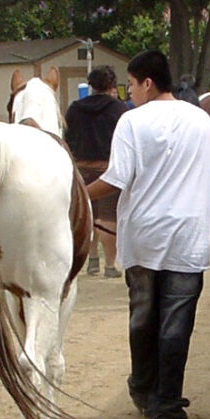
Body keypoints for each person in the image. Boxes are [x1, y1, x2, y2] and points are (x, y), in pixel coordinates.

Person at [86, 49, 210, 419]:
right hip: (187, 238)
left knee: (143, 316)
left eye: (131, 85)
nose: (128, 93)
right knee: (176, 323)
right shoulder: (202, 121)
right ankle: (168, 409)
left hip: (144, 238)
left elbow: (115, 180)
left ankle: (143, 389)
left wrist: (76, 196)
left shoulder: (132, 122)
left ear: (147, 82)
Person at [65, 65, 129, 278]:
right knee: (109, 216)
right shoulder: (119, 109)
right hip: (108, 168)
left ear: (90, 85)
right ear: (112, 85)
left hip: (81, 167)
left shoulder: (75, 108)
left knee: (88, 216)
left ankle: (92, 260)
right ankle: (110, 265)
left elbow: (68, 137)